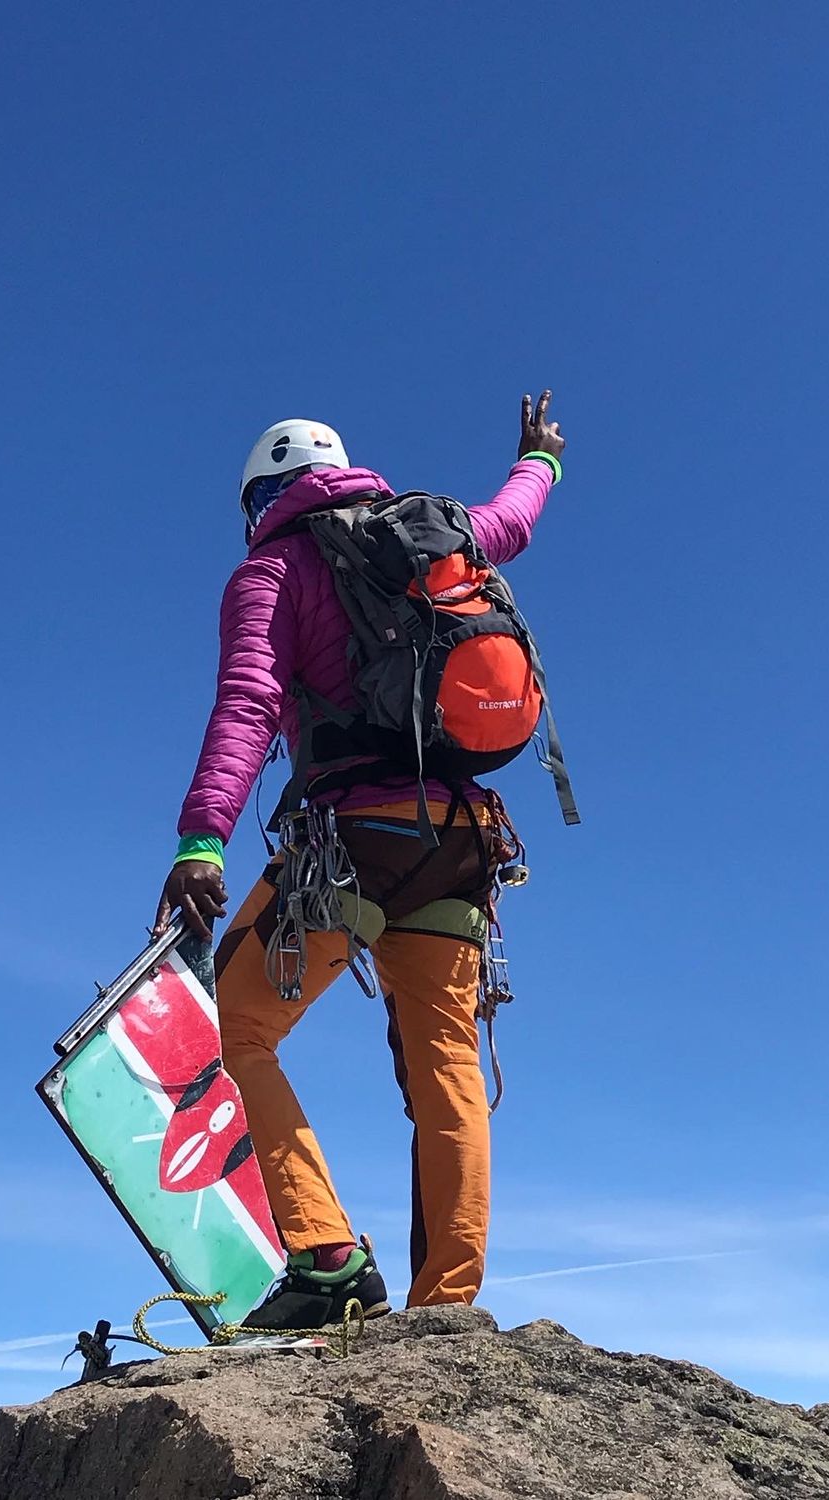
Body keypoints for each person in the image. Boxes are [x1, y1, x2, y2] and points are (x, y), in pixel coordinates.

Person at [152, 393, 567, 1331]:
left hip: (354, 841)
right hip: (464, 838)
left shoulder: (273, 570)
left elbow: (251, 705)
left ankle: (327, 1256)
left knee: (233, 1030)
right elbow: (515, 521)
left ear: (263, 495)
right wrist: (540, 457)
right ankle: (447, 1309)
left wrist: (202, 839)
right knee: (446, 1061)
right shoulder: (438, 535)